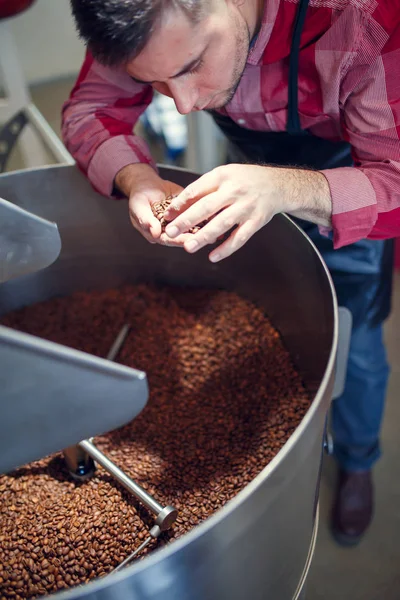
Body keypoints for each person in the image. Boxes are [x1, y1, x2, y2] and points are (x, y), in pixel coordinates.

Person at [63, 0, 400, 546]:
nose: (187, 104)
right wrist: (137, 178)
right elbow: (87, 110)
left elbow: (395, 181)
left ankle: (359, 461)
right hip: (254, 174)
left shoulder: (363, 20)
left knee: (355, 346)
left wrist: (285, 189)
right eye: (158, 84)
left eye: (192, 66)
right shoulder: (136, 14)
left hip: (351, 186)